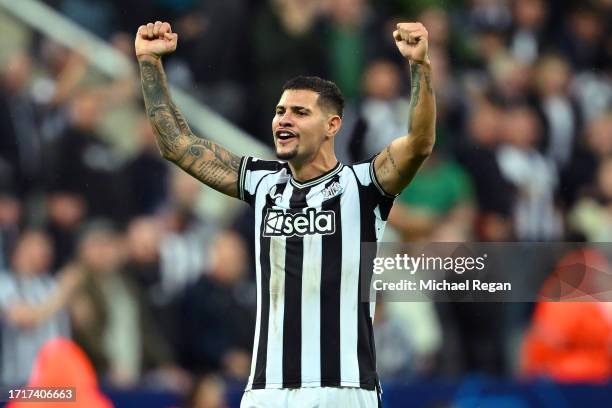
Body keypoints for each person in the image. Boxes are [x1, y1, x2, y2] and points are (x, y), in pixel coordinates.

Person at [135, 19, 435, 408]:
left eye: (298, 112)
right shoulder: (262, 184)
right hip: (266, 392)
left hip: (342, 390)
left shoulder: (363, 186)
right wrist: (149, 62)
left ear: (332, 125)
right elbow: (177, 144)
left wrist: (419, 67)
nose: (283, 119)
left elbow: (420, 143)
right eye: (280, 111)